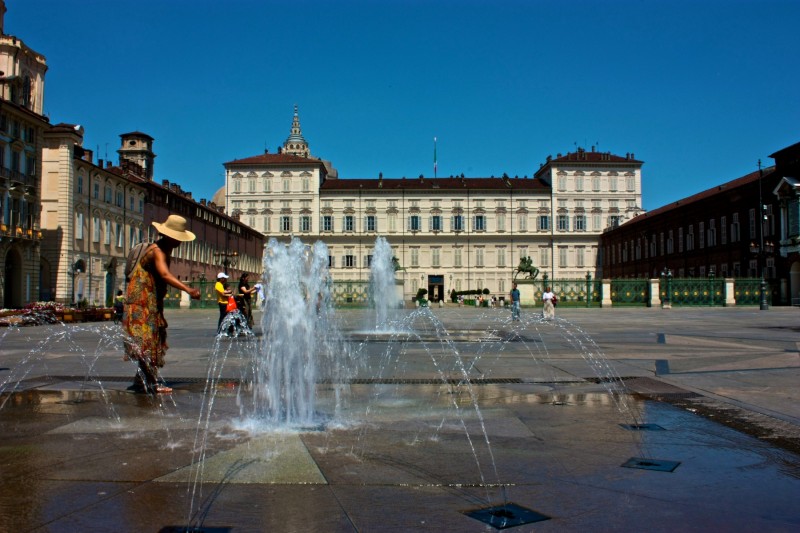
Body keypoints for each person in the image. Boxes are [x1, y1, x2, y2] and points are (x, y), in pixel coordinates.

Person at [123, 215, 201, 394]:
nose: (180, 242)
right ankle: (149, 382)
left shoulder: (164, 249)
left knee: (152, 339)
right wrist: (188, 290)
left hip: (149, 300)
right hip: (142, 301)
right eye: (179, 238)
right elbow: (165, 274)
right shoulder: (157, 250)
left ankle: (141, 379)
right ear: (171, 236)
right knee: (148, 341)